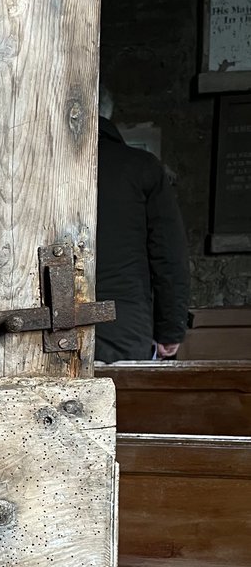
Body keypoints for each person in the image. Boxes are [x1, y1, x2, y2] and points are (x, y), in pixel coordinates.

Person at [94, 88, 190, 363]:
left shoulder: (43, 170)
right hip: (124, 327)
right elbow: (169, 256)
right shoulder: (141, 167)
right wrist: (170, 329)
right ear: (107, 113)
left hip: (50, 329)